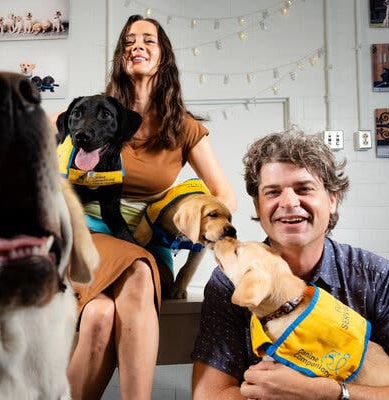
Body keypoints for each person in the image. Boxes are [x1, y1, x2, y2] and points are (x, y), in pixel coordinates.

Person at [54, 14, 237, 400]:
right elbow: (48, 144)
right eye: (128, 42)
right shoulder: (94, 111)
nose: (136, 46)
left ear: (163, 56)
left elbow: (225, 195)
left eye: (148, 40)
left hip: (147, 240)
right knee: (137, 269)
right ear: (122, 58)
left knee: (101, 315)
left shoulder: (182, 126)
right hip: (88, 235)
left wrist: (196, 243)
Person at [191, 130, 389, 399]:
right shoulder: (228, 282)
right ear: (258, 206)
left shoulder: (377, 277)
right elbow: (209, 394)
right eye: (272, 192)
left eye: (304, 188)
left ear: (332, 199)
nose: (288, 202)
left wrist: (328, 392)